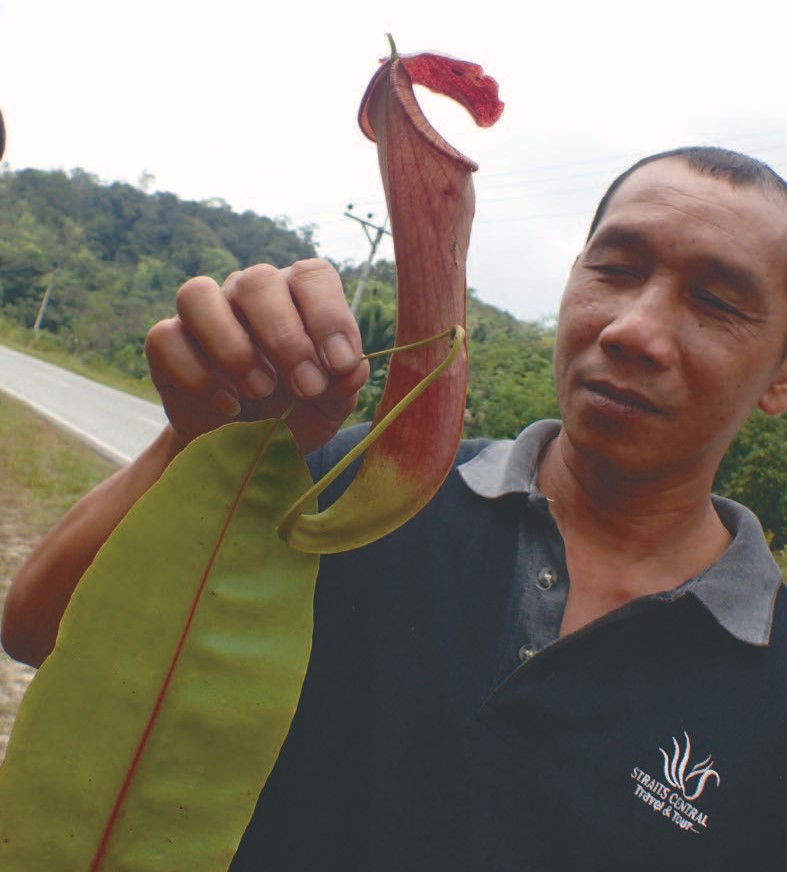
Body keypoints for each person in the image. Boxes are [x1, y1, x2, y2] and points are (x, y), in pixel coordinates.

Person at [3, 147, 787, 870]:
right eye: (613, 269)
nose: (633, 330)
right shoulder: (348, 487)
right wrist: (202, 448)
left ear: (780, 378)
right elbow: (38, 630)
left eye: (716, 302)